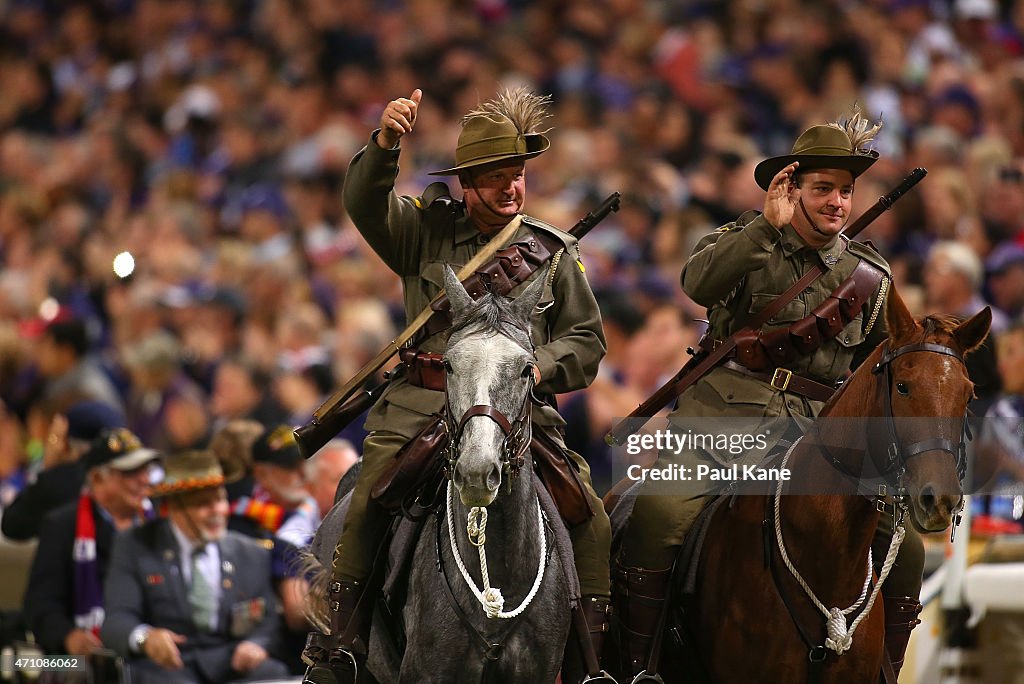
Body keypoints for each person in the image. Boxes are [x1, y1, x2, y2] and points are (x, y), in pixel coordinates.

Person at [303, 88, 611, 683]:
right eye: (495, 178)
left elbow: (586, 341)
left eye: (516, 175)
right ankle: (338, 649)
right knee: (368, 503)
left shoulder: (552, 251)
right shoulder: (421, 231)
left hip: (519, 411)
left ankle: (594, 663)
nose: (510, 189)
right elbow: (364, 203)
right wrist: (386, 143)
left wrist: (538, 367)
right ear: (465, 183)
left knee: (592, 519)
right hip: (425, 403)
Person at [616, 113, 923, 679]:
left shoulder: (870, 278)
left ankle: (884, 669)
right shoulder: (745, 241)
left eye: (846, 191)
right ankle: (639, 668)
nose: (836, 202)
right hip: (721, 423)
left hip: (819, 441)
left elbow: (892, 368)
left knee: (907, 554)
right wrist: (765, 226)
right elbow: (697, 285)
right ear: (790, 189)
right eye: (822, 189)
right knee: (655, 518)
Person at [101, 450, 288, 684]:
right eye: (203, 504)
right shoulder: (134, 545)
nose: (217, 512)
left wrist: (255, 645)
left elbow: (268, 619)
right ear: (174, 509)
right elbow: (117, 620)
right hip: (167, 667)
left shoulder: (251, 553)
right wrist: (145, 638)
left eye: (220, 500)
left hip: (230, 662)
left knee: (275, 676)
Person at [23, 428, 159, 657]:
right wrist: (67, 636)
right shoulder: (62, 526)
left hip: (148, 654)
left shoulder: (159, 527)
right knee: (29, 666)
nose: (144, 480)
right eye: (130, 472)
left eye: (146, 470)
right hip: (80, 661)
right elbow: (41, 603)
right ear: (97, 479)